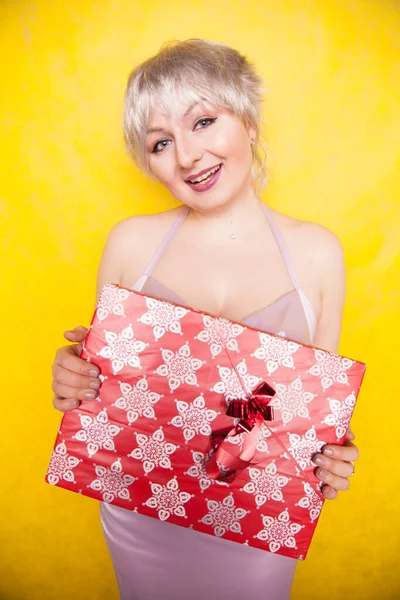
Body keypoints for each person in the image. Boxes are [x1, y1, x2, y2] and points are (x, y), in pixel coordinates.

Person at [51, 39, 359, 600]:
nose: (187, 156)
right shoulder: (130, 244)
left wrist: (333, 455)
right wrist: (73, 375)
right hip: (139, 516)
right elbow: (100, 391)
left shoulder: (318, 254)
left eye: (203, 122)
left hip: (256, 529)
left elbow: (316, 415)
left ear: (248, 119)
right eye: (161, 142)